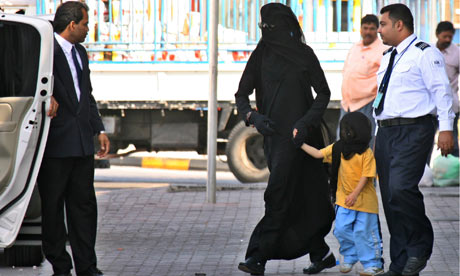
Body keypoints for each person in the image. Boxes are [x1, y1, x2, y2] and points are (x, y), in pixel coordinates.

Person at [235, 3, 335, 275]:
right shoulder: (261, 55)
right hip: (275, 140)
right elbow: (241, 96)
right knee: (285, 195)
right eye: (263, 27)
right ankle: (320, 252)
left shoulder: (305, 55)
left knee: (299, 195)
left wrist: (305, 123)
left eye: (270, 27)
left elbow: (324, 93)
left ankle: (258, 257)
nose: (266, 31)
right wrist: (253, 118)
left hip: (304, 139)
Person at [374, 4, 454, 276]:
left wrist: (446, 129)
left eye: (383, 24)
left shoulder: (425, 53)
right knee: (389, 199)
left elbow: (441, 91)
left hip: (414, 130)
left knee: (400, 189)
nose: (379, 30)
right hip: (385, 132)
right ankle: (400, 264)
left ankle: (420, 247)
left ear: (399, 25)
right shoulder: (387, 56)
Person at [36, 2, 110, 276]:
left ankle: (87, 267)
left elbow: (85, 94)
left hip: (80, 144)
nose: (88, 29)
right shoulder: (44, 51)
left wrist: (98, 129)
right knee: (53, 209)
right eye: (86, 24)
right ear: (71, 25)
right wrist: (47, 96)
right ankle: (61, 265)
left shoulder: (80, 53)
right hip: (55, 146)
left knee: (84, 208)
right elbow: (29, 83)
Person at [301, 112, 383, 276]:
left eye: (350, 130)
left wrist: (354, 194)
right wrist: (300, 144)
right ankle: (351, 255)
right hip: (343, 201)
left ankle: (373, 264)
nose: (347, 132)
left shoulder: (366, 154)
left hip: (365, 204)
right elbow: (318, 154)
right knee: (340, 229)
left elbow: (366, 177)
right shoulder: (338, 148)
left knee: (364, 233)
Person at [338, 14, 388, 147]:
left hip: (367, 104)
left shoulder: (383, 49)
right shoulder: (355, 47)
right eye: (365, 28)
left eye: (372, 28)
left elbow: (384, 79)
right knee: (343, 143)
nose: (368, 32)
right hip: (347, 104)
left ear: (377, 30)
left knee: (363, 144)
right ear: (360, 29)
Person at [434, 21, 459, 157]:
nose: (447, 40)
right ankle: (425, 176)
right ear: (437, 35)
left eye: (450, 37)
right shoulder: (428, 51)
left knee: (451, 143)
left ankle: (454, 176)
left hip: (451, 106)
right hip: (431, 107)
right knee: (423, 144)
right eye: (445, 36)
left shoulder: (457, 53)